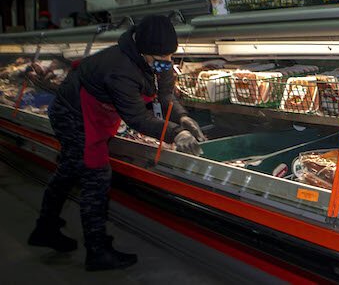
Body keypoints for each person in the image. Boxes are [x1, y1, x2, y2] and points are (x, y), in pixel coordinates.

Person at [27, 15, 205, 271]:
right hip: (75, 115)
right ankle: (97, 251)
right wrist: (175, 134)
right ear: (143, 50)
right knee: (95, 175)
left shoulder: (158, 58)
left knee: (69, 169)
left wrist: (182, 117)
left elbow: (165, 94)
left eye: (169, 57)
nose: (166, 63)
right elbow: (137, 117)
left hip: (99, 113)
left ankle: (45, 227)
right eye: (159, 59)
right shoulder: (119, 67)